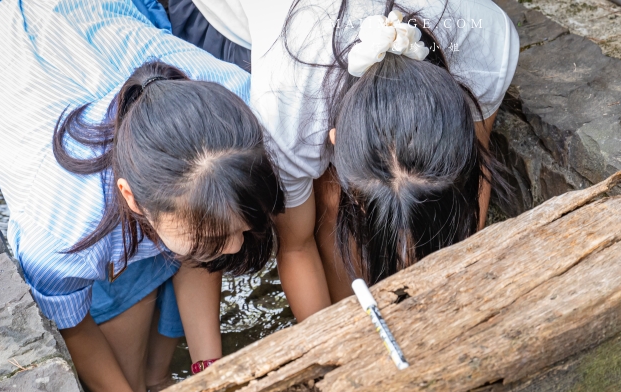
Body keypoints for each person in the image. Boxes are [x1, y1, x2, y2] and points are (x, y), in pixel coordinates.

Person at [0, 0, 287, 392]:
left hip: (95, 13)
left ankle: (159, 376)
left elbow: (206, 247)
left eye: (239, 229)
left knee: (187, 246)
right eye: (218, 235)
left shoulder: (237, 113)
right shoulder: (62, 227)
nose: (239, 247)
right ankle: (146, 383)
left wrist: (212, 369)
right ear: (130, 196)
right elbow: (73, 328)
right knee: (122, 333)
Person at [168, 0, 518, 295]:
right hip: (224, 16)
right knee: (328, 201)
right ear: (334, 141)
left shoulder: (485, 42)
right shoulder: (283, 111)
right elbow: (297, 246)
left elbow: (472, 178)